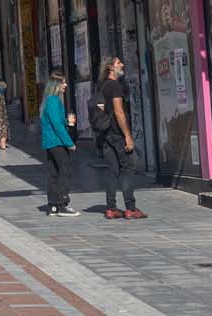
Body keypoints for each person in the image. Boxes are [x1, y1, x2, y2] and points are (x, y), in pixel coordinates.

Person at [90, 55, 145, 220]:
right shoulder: (114, 86)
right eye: (118, 63)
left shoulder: (102, 86)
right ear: (110, 67)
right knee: (127, 168)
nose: (122, 65)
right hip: (117, 134)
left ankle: (111, 208)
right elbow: (119, 112)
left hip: (105, 134)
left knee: (112, 171)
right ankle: (130, 208)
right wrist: (127, 136)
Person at [40, 68, 79, 216]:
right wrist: (69, 143)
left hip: (50, 142)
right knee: (64, 172)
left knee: (54, 173)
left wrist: (67, 121)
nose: (66, 85)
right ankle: (62, 203)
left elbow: (54, 121)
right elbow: (57, 126)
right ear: (56, 85)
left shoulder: (48, 100)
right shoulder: (54, 101)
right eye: (63, 83)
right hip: (57, 142)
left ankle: (53, 206)